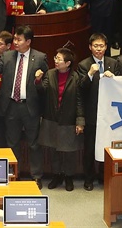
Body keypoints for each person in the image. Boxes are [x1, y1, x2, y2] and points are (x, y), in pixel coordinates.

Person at [0, 25, 48, 185]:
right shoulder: (7, 56)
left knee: (34, 143)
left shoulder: (40, 58)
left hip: (30, 106)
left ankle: (36, 176)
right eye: (14, 39)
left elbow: (46, 83)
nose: (15, 42)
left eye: (18, 39)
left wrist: (39, 80)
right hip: (11, 105)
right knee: (12, 142)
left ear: (28, 41)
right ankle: (14, 173)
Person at [38, 47, 84, 191]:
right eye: (55, 58)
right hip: (51, 118)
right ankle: (56, 175)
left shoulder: (75, 77)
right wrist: (38, 80)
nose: (55, 61)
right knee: (54, 150)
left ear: (68, 63)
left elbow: (79, 100)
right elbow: (42, 91)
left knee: (69, 151)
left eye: (59, 59)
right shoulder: (50, 74)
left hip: (68, 119)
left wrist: (80, 121)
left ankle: (69, 176)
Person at [78, 33, 120, 190]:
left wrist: (113, 78)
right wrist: (90, 74)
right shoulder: (84, 65)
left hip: (110, 114)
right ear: (90, 47)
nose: (99, 49)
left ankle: (103, 176)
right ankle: (88, 178)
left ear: (106, 47)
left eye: (101, 46)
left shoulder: (113, 63)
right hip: (92, 114)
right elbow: (81, 88)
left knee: (107, 147)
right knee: (89, 148)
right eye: (95, 46)